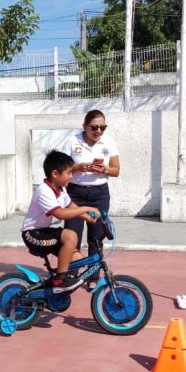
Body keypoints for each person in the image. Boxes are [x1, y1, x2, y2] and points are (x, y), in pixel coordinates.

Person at [21, 150, 100, 293]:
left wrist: (90, 218)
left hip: (47, 232)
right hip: (33, 234)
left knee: (78, 259)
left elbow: (71, 206)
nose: (71, 176)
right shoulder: (44, 191)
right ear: (55, 174)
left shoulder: (61, 190)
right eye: (69, 172)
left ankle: (54, 294)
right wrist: (87, 208)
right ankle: (60, 279)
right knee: (71, 235)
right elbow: (61, 214)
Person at [58, 109, 119, 254]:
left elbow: (116, 170)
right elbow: (61, 168)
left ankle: (94, 269)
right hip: (75, 194)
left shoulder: (109, 142)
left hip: (100, 195)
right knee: (72, 236)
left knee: (97, 238)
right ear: (84, 126)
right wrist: (77, 167)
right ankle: (72, 268)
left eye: (103, 127)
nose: (98, 131)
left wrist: (104, 170)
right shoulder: (72, 141)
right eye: (94, 127)